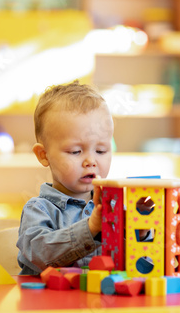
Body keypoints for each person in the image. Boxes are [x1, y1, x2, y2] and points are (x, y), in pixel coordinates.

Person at [16, 81, 114, 275]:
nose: (91, 161)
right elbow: (40, 256)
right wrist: (90, 228)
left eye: (101, 150)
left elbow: (139, 263)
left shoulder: (112, 206)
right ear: (44, 155)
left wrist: (141, 231)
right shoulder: (38, 210)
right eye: (76, 151)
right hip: (50, 304)